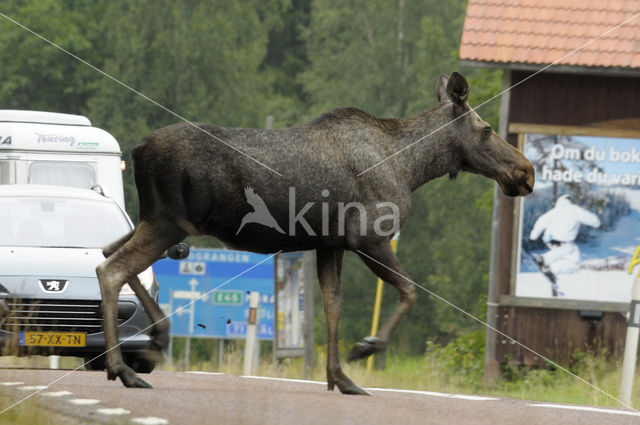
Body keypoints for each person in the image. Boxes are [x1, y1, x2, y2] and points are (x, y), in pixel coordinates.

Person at [529, 194, 601, 286]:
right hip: (563, 240)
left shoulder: (554, 211)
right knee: (572, 257)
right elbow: (591, 219)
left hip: (548, 239)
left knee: (571, 256)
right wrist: (598, 224)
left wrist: (533, 237)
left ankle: (550, 268)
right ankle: (545, 261)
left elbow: (540, 222)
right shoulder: (575, 210)